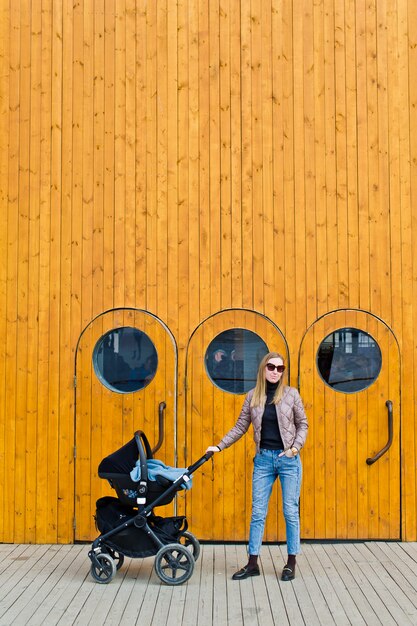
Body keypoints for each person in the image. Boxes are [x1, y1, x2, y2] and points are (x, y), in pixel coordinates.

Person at [206, 352, 308, 581]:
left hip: (288, 460)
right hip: (263, 460)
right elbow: (241, 426)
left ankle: (291, 562)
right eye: (271, 367)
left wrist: (295, 448)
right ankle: (252, 563)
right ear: (263, 369)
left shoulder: (291, 395)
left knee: (290, 511)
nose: (275, 372)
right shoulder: (253, 396)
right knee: (258, 512)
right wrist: (219, 446)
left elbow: (303, 424)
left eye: (280, 369)